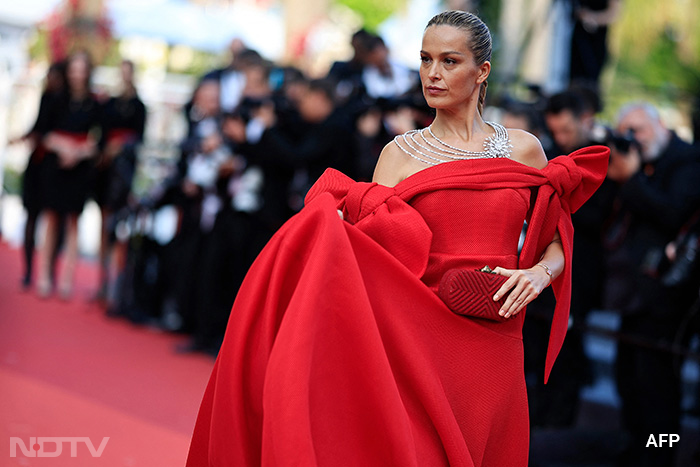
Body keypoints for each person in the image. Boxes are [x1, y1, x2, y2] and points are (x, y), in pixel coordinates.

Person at [186, 10, 608, 466]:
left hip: (498, 337)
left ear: (482, 71)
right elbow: (374, 251)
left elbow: (558, 234)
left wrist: (541, 274)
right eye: (426, 59)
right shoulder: (399, 154)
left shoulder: (524, 149)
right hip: (418, 337)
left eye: (449, 61)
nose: (432, 73)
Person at [604, 102, 700, 467]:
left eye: (638, 130)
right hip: (634, 295)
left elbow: (672, 212)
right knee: (628, 382)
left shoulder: (688, 162)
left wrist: (632, 179)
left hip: (668, 300)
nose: (633, 140)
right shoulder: (640, 162)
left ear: (660, 125)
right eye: (625, 131)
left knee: (660, 392)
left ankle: (660, 457)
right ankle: (636, 450)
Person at [36, 50, 101, 299]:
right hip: (55, 166)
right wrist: (63, 147)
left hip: (79, 169)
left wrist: (79, 152)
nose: (77, 74)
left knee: (74, 221)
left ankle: (66, 280)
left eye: (81, 69)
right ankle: (44, 276)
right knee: (51, 219)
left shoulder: (94, 104)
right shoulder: (56, 100)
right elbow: (44, 132)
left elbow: (98, 140)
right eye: (74, 69)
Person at [94, 59, 146, 304]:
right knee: (105, 222)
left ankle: (116, 283)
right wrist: (107, 151)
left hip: (124, 172)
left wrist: (121, 147)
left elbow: (139, 139)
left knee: (120, 225)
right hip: (107, 171)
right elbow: (101, 134)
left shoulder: (139, 106)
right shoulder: (111, 104)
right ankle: (102, 280)